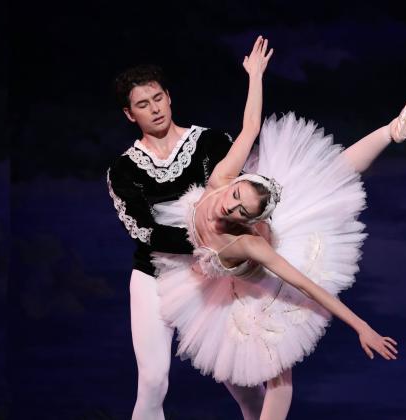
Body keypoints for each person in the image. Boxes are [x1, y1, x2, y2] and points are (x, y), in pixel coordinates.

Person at [151, 36, 406, 419]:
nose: (226, 204)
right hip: (219, 279)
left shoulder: (247, 244)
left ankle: (390, 131)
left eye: (237, 210)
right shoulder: (220, 180)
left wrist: (361, 326)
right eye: (235, 194)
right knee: (323, 176)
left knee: (278, 380)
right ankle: (390, 133)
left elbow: (306, 284)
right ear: (236, 181)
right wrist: (255, 75)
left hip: (259, 289)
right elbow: (250, 127)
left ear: (246, 223)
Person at [106, 44, 270, 420]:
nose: (155, 108)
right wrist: (210, 242)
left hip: (210, 277)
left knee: (244, 380)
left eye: (158, 97)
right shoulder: (124, 170)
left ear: (169, 97)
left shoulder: (210, 142)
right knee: (152, 380)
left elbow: (242, 195)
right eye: (143, 104)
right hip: (154, 276)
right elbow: (145, 232)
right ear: (129, 115)